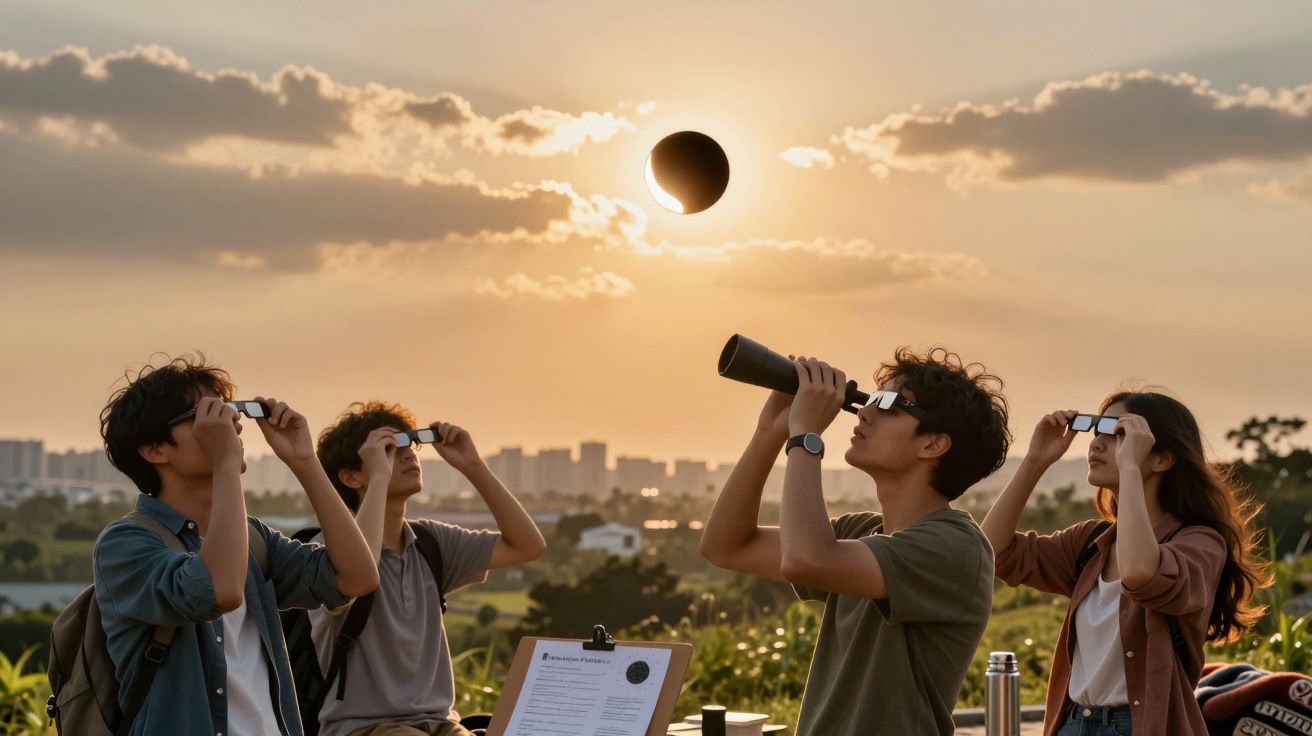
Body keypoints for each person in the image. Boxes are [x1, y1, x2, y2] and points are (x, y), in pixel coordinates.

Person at [700, 348, 1011, 735]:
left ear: (933, 444)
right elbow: (725, 547)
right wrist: (769, 432)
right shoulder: (859, 533)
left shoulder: (956, 547)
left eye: (890, 404)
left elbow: (806, 560)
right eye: (870, 399)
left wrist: (806, 436)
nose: (865, 412)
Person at [94, 355, 378, 735]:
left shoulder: (253, 539)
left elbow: (357, 578)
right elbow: (220, 590)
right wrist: (225, 464)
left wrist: (305, 461)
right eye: (208, 416)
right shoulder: (125, 544)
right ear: (155, 450)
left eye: (229, 411)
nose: (232, 425)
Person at [981, 391, 1272, 736]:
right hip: (1073, 723)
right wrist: (1035, 461)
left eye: (1117, 433)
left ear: (1162, 459)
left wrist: (1130, 466)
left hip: (1142, 727)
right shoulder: (1091, 543)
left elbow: (1141, 575)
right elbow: (992, 551)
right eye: (1096, 430)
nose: (1097, 443)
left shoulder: (1201, 544)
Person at [308, 401, 546, 736]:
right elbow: (359, 568)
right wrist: (379, 479)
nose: (408, 455)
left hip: (440, 723)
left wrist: (473, 465)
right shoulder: (327, 551)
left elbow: (527, 546)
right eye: (390, 449)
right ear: (350, 476)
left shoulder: (431, 543)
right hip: (363, 727)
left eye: (410, 445)